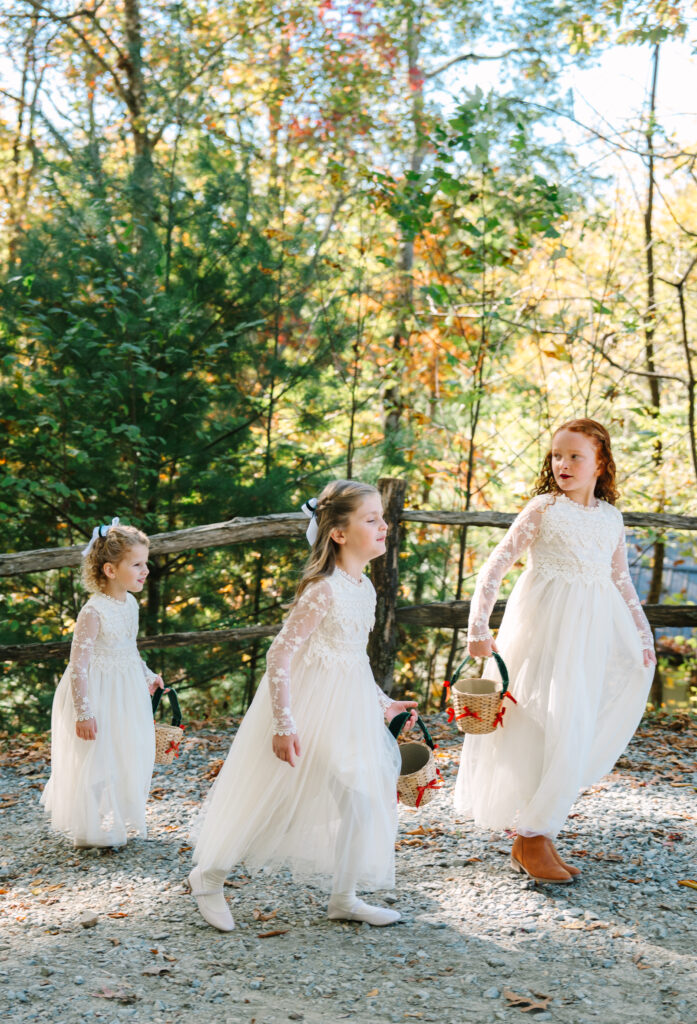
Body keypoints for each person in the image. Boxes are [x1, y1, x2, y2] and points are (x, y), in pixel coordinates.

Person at [189, 480, 418, 931]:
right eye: (370, 520)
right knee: (271, 798)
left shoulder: (364, 588)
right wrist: (284, 722)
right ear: (338, 532)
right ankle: (208, 877)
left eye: (381, 518)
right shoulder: (324, 590)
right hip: (305, 709)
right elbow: (280, 653)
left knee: (362, 798)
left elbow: (352, 657)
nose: (383, 526)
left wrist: (383, 701)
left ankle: (345, 897)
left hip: (346, 709)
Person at [454, 419, 656, 883]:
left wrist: (643, 636)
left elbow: (620, 580)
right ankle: (532, 836)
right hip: (543, 630)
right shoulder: (544, 509)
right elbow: (494, 567)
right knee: (544, 725)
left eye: (575, 456)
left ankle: (538, 833)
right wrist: (477, 627)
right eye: (556, 455)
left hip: (589, 635)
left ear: (600, 463)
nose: (562, 464)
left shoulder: (610, 517)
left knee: (577, 726)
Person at [41, 518, 164, 848]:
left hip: (124, 692)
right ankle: (88, 828)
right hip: (95, 692)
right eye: (137, 564)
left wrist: (147, 675)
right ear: (110, 570)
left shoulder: (131, 604)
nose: (145, 570)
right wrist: (84, 712)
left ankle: (115, 820)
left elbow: (128, 648)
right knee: (95, 756)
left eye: (145, 562)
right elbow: (78, 665)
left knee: (122, 751)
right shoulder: (93, 612)